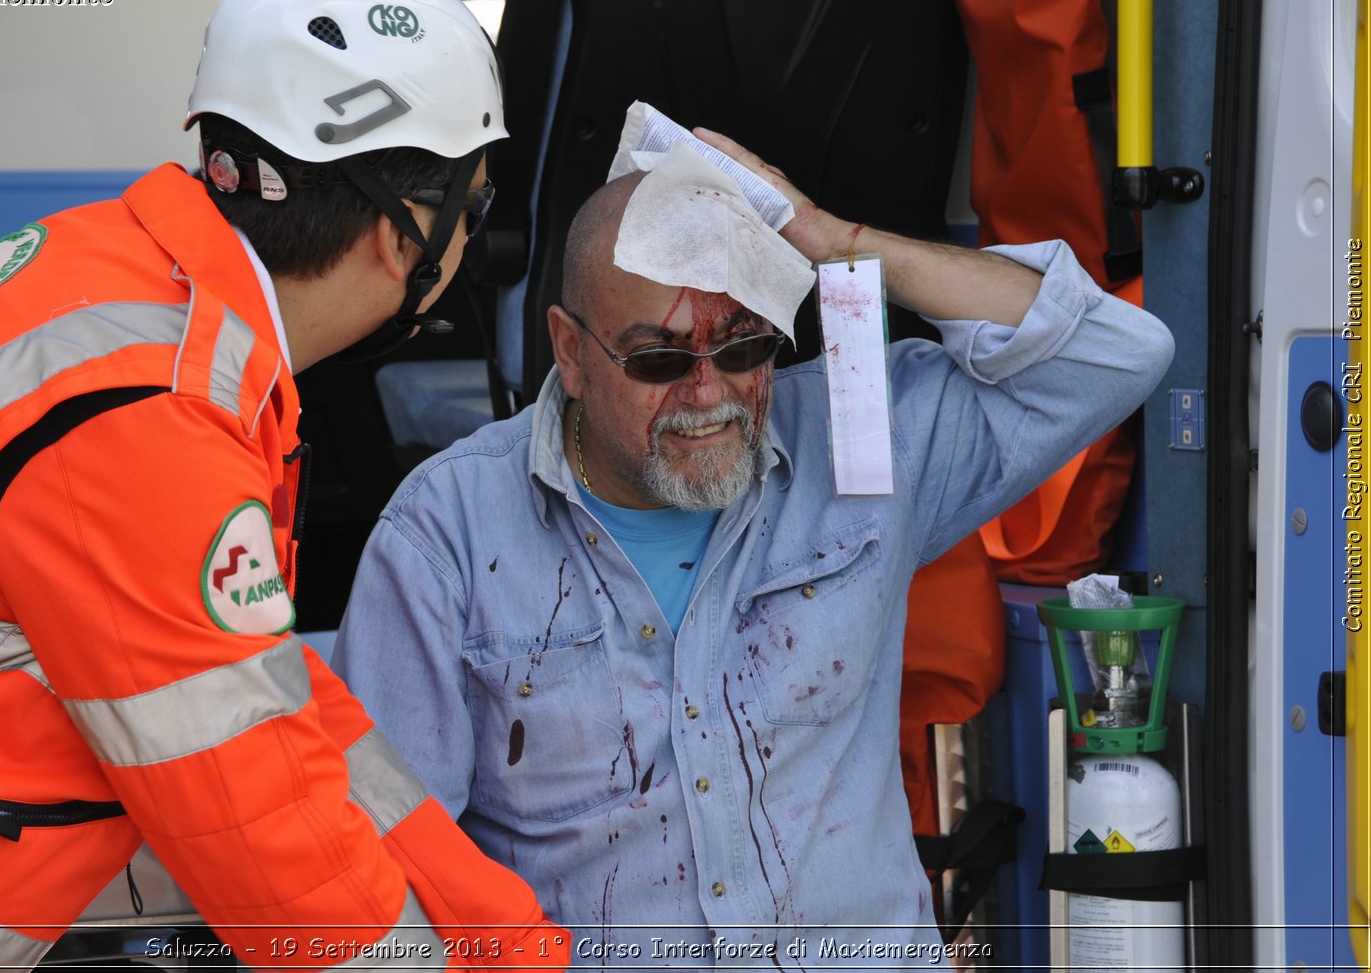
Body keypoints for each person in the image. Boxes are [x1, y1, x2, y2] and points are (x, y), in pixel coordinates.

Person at [0, 0, 568, 971]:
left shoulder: (140, 304)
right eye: (477, 205)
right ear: (402, 227)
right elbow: (262, 831)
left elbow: (279, 708)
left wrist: (505, 939)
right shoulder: (149, 406)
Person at [333, 129, 1175, 965]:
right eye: (660, 357)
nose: (710, 394)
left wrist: (839, 241)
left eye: (743, 347)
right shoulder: (445, 533)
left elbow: (1116, 354)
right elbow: (387, 867)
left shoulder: (858, 446)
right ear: (570, 352)